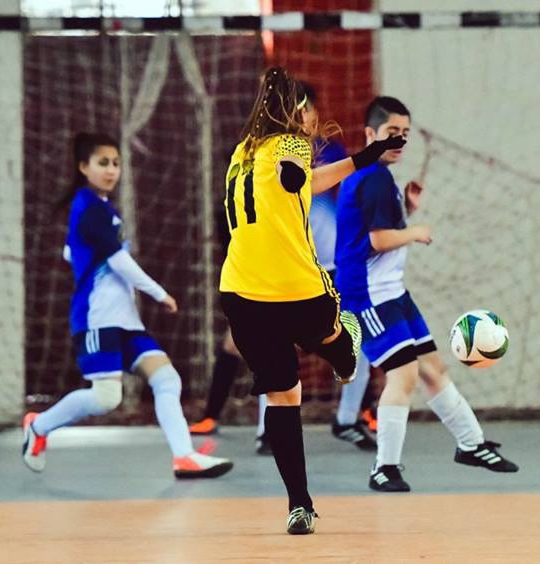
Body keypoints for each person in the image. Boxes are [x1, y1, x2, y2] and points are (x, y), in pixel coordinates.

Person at [220, 67, 404, 534]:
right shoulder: (290, 145)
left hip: (241, 294)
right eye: (305, 108)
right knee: (334, 338)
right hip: (296, 289)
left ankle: (298, 504)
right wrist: (356, 160)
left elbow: (307, 181)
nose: (311, 117)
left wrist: (363, 158)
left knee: (285, 396)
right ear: (293, 111)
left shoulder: (241, 154)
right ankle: (341, 344)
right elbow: (295, 175)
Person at [21, 132, 233, 480]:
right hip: (97, 319)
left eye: (116, 163)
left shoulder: (101, 209)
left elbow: (73, 251)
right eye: (102, 163)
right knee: (107, 398)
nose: (111, 170)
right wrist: (158, 292)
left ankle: (184, 456)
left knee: (166, 379)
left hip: (125, 320)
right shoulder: (87, 206)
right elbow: (118, 261)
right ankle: (38, 426)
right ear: (83, 167)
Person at [334, 97, 519, 493]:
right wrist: (415, 231)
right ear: (370, 135)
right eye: (389, 134)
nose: (398, 141)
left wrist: (407, 211)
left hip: (392, 291)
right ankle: (384, 468)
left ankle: (472, 444)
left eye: (404, 135)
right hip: (366, 296)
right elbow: (378, 239)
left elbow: (376, 231)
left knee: (434, 369)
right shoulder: (373, 176)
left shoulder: (380, 176)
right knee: (404, 374)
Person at [190, 82, 376, 453]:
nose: (312, 116)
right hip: (279, 271)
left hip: (328, 266)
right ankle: (246, 423)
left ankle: (350, 418)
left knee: (359, 343)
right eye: (305, 109)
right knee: (264, 351)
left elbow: (348, 196)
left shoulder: (327, 152)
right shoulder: (263, 153)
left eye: (312, 109)